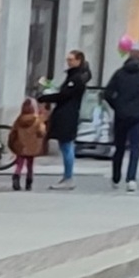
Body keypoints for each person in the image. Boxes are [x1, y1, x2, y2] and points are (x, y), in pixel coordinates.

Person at [103, 40, 139, 191]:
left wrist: (117, 106)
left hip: (121, 114)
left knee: (119, 146)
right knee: (135, 147)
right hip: (138, 114)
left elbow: (107, 93)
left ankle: (115, 177)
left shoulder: (119, 73)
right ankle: (131, 179)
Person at [44, 50, 92, 189]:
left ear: (79, 61)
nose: (68, 62)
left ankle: (68, 178)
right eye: (68, 59)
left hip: (68, 114)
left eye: (71, 59)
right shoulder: (76, 76)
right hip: (67, 112)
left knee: (66, 145)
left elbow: (64, 95)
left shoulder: (76, 78)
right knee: (66, 145)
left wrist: (46, 98)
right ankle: (67, 177)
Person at [6, 97, 48, 191]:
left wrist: (12, 143)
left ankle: (16, 178)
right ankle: (28, 183)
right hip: (32, 147)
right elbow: (41, 132)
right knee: (30, 165)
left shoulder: (19, 120)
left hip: (20, 146)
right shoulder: (37, 121)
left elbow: (13, 132)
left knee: (19, 164)